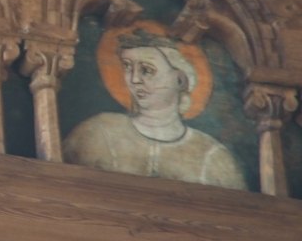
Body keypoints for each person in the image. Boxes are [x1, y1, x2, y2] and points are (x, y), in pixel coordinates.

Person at [63, 28, 245, 189]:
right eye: (127, 67)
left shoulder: (212, 156)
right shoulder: (97, 132)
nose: (134, 79)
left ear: (180, 79)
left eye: (146, 70)